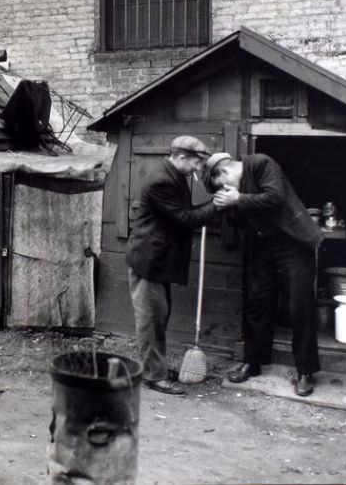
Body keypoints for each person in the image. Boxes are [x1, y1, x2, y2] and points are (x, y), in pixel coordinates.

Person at [203, 152, 323, 396]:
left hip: (294, 244)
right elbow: (239, 219)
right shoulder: (236, 192)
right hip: (262, 247)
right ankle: (253, 362)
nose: (227, 190)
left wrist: (238, 198)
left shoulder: (261, 163)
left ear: (225, 173)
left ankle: (305, 371)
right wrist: (225, 208)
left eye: (224, 186)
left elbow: (275, 198)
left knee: (299, 306)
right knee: (257, 302)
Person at [125, 136, 218, 395]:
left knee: (159, 316)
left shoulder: (175, 176)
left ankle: (156, 368)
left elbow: (184, 213)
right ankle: (153, 376)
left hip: (158, 260)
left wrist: (212, 205)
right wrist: (217, 205)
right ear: (179, 157)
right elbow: (185, 218)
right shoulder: (162, 181)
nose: (197, 169)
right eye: (195, 163)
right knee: (151, 320)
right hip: (149, 261)